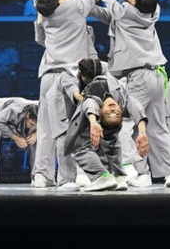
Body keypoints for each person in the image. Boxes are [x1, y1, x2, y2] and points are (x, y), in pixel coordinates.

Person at [93, 0, 170, 187]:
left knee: (125, 121)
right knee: (158, 126)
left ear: (132, 3)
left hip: (138, 78)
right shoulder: (153, 11)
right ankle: (169, 173)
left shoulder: (123, 14)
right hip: (157, 76)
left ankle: (130, 170)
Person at [31, 0, 99, 190]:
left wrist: (39, 15)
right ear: (60, 0)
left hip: (47, 76)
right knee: (66, 129)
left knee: (45, 128)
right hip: (67, 76)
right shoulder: (71, 7)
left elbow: (40, 40)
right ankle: (67, 178)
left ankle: (41, 175)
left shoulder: (48, 16)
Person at [64, 62, 149, 192]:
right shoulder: (113, 92)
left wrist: (142, 133)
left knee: (81, 147)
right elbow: (135, 106)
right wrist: (93, 123)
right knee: (111, 145)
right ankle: (118, 176)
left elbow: (137, 109)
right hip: (97, 121)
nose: (112, 109)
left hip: (95, 121)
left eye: (110, 113)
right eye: (114, 112)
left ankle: (102, 177)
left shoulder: (98, 92)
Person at [0, 97, 38, 187]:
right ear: (28, 115)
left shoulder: (42, 108)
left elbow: (46, 125)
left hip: (13, 122)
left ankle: (37, 176)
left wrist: (36, 133)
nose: (31, 126)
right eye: (31, 124)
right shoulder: (15, 108)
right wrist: (16, 138)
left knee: (34, 140)